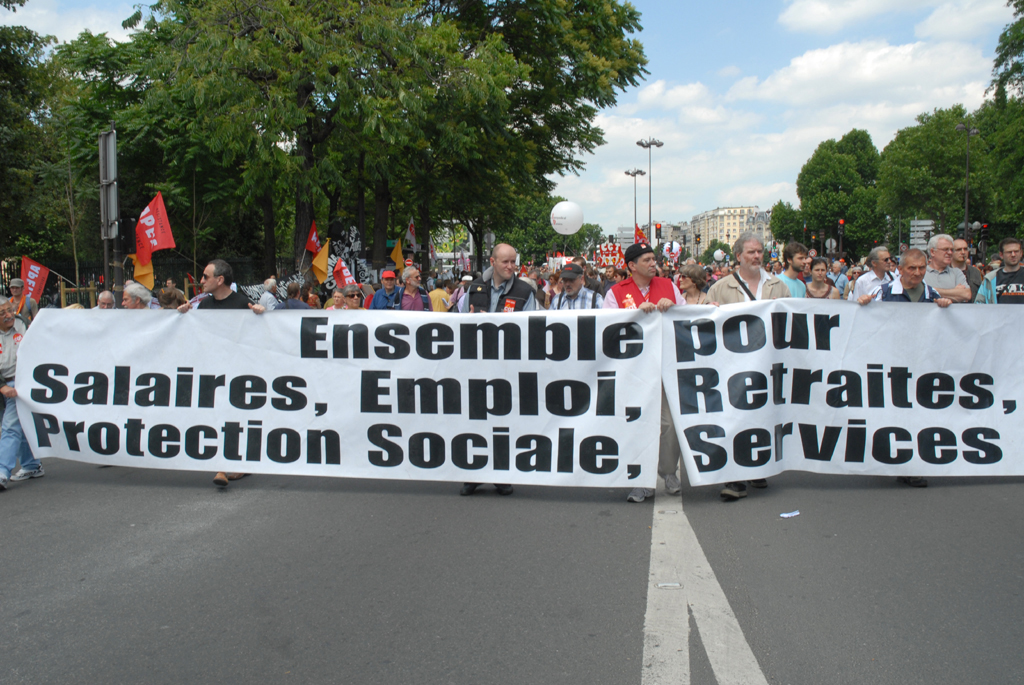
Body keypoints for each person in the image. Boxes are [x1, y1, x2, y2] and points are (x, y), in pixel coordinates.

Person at [706, 232, 790, 501]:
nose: (757, 256)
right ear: (738, 256)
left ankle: (757, 466)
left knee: (762, 415)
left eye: (760, 251)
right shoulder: (721, 288)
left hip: (766, 364)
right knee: (734, 418)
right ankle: (735, 477)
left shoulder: (778, 286)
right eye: (751, 252)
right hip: (731, 366)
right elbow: (706, 325)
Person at [859, 248, 951, 487]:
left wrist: (945, 307)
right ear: (899, 270)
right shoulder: (883, 293)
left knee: (917, 416)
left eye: (921, 268)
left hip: (922, 368)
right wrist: (863, 307)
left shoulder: (932, 294)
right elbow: (862, 326)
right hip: (891, 367)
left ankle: (912, 465)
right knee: (892, 414)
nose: (917, 272)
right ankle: (894, 460)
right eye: (911, 268)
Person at [603, 242, 686, 502]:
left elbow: (687, 317)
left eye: (654, 259)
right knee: (637, 425)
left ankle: (668, 471)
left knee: (669, 424)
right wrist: (632, 316)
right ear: (631, 266)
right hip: (632, 372)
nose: (654, 264)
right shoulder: (616, 293)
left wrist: (673, 308)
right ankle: (642, 480)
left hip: (664, 368)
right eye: (647, 260)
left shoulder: (669, 287)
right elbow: (606, 328)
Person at [176, 259, 266, 487]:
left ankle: (228, 466)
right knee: (217, 418)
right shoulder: (203, 305)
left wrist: (260, 314)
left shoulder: (242, 303)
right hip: (213, 372)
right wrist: (182, 316)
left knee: (233, 418)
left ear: (220, 279)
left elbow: (258, 337)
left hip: (237, 372)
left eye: (206, 276)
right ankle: (227, 464)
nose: (201, 280)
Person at [458, 244, 536, 497]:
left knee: (503, 423)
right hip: (477, 367)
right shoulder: (474, 288)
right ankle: (474, 473)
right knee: (476, 421)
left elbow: (531, 331)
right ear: (493, 261)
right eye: (505, 262)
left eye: (513, 262)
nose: (511, 267)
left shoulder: (525, 291)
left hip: (506, 368)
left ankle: (501, 474)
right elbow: (455, 321)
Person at [0, 296, 43, 489]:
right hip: (3, 385)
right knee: (20, 426)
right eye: (3, 313)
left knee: (10, 427)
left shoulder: (23, 324)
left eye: (9, 310)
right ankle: (31, 464)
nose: (9, 315)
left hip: (20, 383)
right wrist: (2, 386)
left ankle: (1, 472)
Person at [922, 234, 971, 303]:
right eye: (945, 249)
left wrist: (929, 291)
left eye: (952, 250)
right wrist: (954, 291)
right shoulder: (921, 272)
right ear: (932, 252)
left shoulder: (956, 272)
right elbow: (918, 293)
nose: (950, 252)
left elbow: (967, 294)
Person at [976, 237, 1024, 304]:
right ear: (1001, 255)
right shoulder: (990, 279)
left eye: (1016, 251)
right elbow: (979, 304)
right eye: (1009, 252)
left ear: (1021, 253)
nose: (1013, 255)